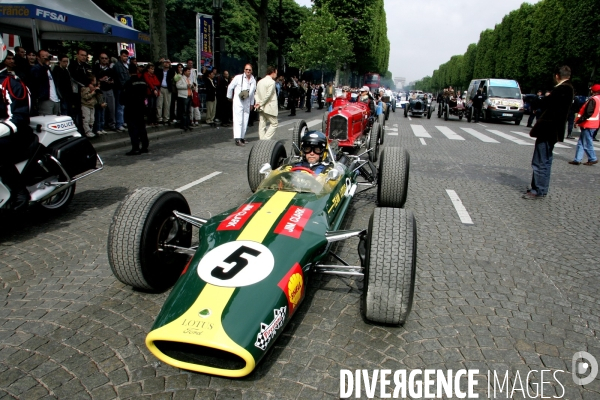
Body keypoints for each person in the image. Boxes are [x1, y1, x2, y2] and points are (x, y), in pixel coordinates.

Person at [523, 65, 574, 200]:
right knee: (546, 160)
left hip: (548, 129)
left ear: (557, 75)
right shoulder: (568, 89)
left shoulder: (562, 89)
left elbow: (546, 103)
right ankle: (541, 188)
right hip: (554, 130)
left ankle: (537, 190)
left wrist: (535, 102)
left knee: (540, 160)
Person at [0, 49, 36, 210]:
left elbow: (20, 114)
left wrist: (4, 128)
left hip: (15, 132)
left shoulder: (10, 82)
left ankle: (19, 191)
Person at [120, 64, 149, 155]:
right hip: (141, 107)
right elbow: (145, 94)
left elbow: (123, 97)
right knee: (142, 127)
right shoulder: (143, 82)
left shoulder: (128, 83)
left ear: (128, 72)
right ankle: (144, 146)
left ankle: (135, 147)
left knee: (133, 129)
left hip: (131, 108)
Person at [568, 84, 600, 166]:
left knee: (586, 142)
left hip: (588, 124)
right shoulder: (598, 99)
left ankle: (593, 158)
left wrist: (578, 121)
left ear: (593, 90)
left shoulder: (593, 99)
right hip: (594, 123)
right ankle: (577, 159)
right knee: (581, 142)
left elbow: (588, 113)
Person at [227, 63, 256, 146]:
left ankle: (242, 137)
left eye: (249, 70)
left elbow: (252, 93)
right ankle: (237, 138)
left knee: (245, 120)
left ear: (251, 71)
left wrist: (251, 104)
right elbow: (230, 87)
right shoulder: (238, 78)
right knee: (238, 120)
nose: (248, 71)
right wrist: (229, 97)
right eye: (246, 69)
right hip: (238, 101)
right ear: (244, 70)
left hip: (247, 102)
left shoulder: (253, 80)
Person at [68, 48, 93, 134]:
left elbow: (91, 76)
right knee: (78, 112)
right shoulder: (72, 65)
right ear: (77, 55)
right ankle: (78, 130)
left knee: (88, 113)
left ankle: (88, 130)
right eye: (82, 55)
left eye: (85, 55)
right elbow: (74, 78)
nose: (83, 57)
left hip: (87, 92)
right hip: (76, 93)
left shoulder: (87, 66)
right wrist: (86, 84)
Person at [30, 49, 60, 116]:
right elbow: (38, 80)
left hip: (55, 98)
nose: (46, 58)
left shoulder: (48, 69)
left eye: (47, 56)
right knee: (47, 120)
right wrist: (46, 65)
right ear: (38, 57)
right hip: (45, 99)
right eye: (44, 56)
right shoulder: (36, 68)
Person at [92, 52, 117, 133]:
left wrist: (111, 81)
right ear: (99, 59)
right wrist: (100, 80)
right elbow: (93, 79)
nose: (104, 60)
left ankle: (112, 124)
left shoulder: (110, 69)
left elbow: (114, 79)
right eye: (102, 58)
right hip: (101, 90)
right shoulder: (96, 68)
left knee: (111, 108)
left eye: (106, 58)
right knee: (101, 109)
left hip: (109, 89)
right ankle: (100, 126)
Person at [254, 66, 279, 140]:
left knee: (262, 124)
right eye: (276, 73)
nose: (276, 75)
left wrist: (258, 102)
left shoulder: (260, 81)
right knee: (274, 123)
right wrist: (261, 103)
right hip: (269, 106)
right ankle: (265, 139)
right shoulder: (271, 82)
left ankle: (261, 140)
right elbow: (268, 95)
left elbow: (256, 94)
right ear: (273, 72)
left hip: (261, 107)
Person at [112, 49, 131, 132]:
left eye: (127, 56)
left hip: (124, 89)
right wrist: (125, 86)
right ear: (120, 56)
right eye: (124, 56)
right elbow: (121, 79)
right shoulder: (118, 66)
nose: (126, 58)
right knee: (119, 107)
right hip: (120, 89)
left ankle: (122, 121)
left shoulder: (125, 65)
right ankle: (119, 123)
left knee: (123, 107)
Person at [155, 58, 174, 124]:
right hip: (160, 88)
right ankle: (159, 118)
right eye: (165, 62)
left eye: (168, 63)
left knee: (167, 104)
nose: (166, 64)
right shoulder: (160, 71)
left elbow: (173, 72)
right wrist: (159, 61)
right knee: (159, 104)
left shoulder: (171, 71)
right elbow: (155, 67)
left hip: (167, 89)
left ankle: (166, 118)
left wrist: (170, 64)